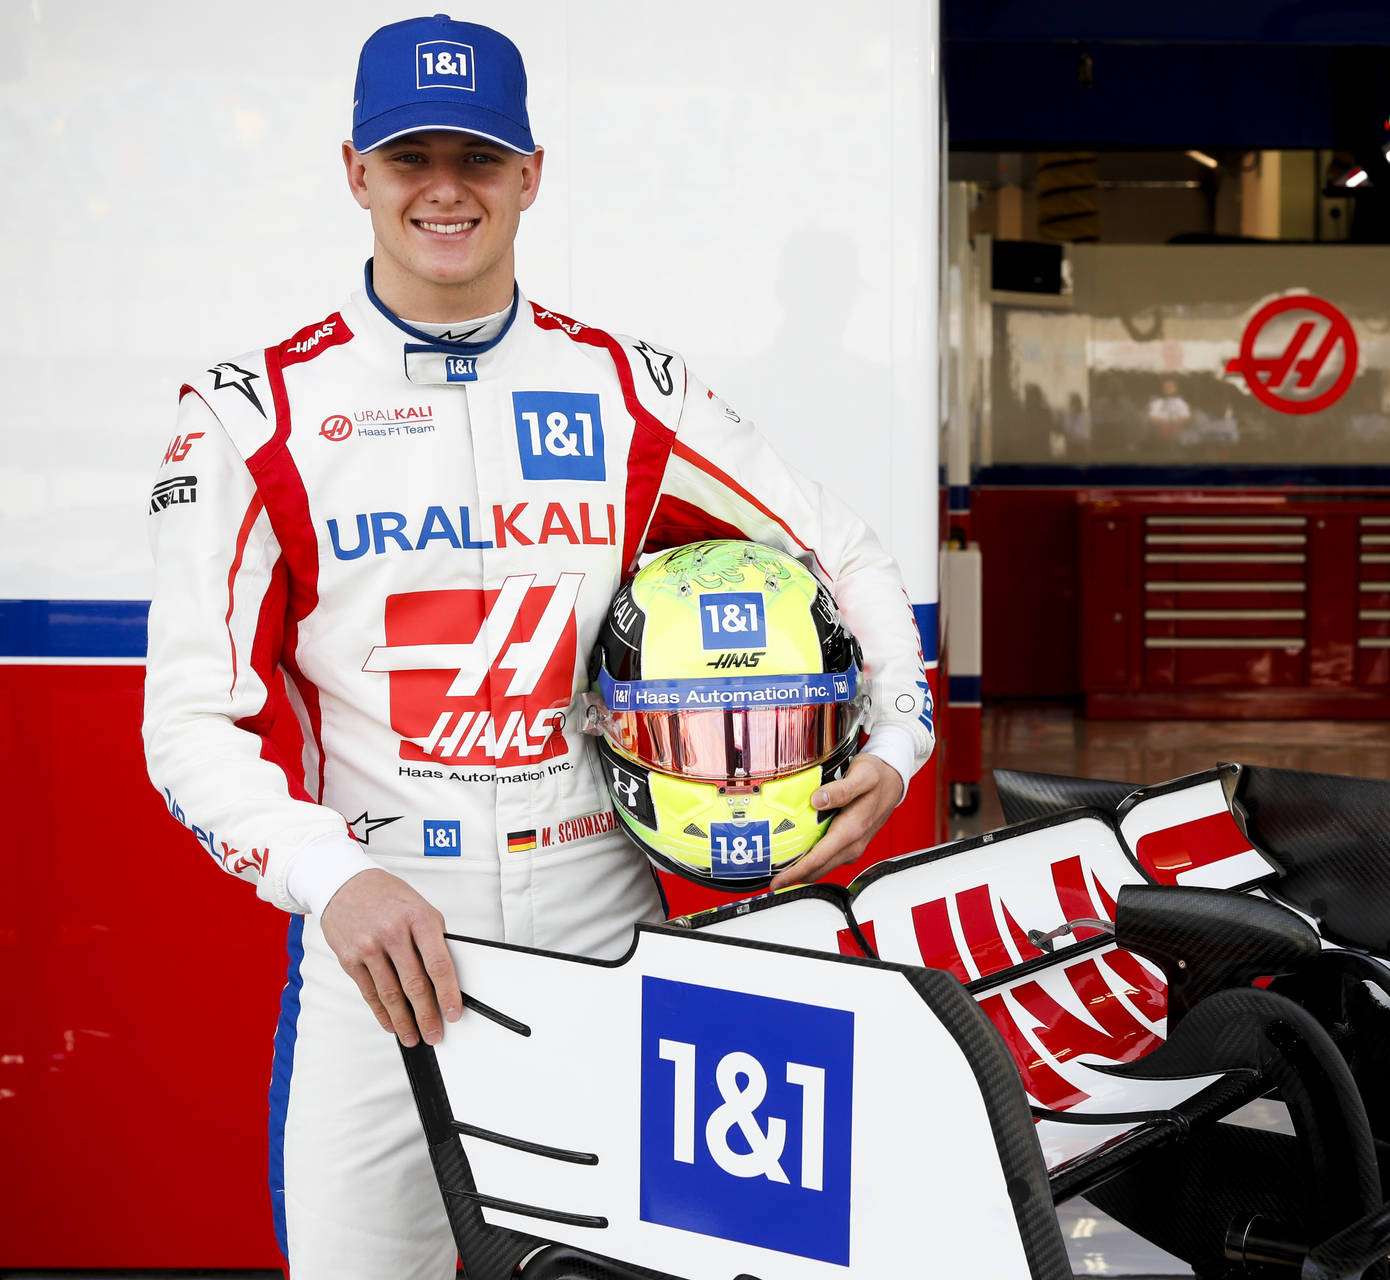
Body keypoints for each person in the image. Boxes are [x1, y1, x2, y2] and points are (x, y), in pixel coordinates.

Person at [140, 15, 933, 1278]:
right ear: (357, 171)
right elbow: (188, 719)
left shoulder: (626, 386)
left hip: (603, 924)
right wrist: (327, 876)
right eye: (412, 157)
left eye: (480, 156)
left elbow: (844, 553)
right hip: (384, 940)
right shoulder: (257, 414)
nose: (445, 188)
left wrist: (896, 738)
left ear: (531, 175)